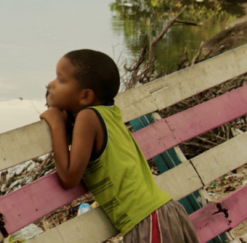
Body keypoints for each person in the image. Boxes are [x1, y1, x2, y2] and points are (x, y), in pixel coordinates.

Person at [40, 49, 199, 243]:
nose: (51, 85)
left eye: (61, 80)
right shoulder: (109, 113)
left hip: (148, 222)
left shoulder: (87, 117)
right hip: (164, 213)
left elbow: (69, 177)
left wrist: (57, 124)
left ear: (85, 96)